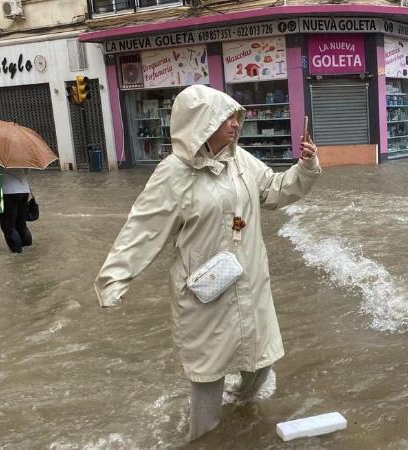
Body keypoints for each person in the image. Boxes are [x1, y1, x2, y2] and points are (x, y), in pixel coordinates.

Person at [93, 85, 321, 442]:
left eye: (235, 117)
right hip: (205, 292)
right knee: (207, 375)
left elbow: (274, 190)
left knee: (260, 362)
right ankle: (203, 439)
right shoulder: (174, 174)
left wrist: (305, 168)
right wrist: (115, 278)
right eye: (226, 118)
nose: (234, 124)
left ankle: (239, 410)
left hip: (250, 282)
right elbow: (143, 228)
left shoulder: (240, 161)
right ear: (202, 123)